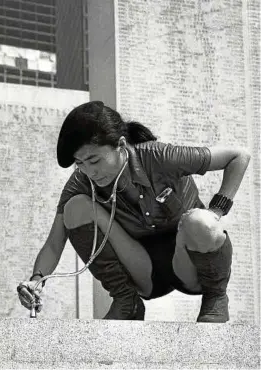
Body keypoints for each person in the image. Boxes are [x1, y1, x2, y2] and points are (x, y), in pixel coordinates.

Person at [17, 101, 250, 322]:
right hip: (143, 270)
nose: (90, 172)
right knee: (74, 208)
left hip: (190, 266)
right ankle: (127, 301)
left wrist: (216, 211)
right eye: (80, 163)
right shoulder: (82, 182)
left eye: (94, 160)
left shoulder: (159, 157)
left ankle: (216, 297)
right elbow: (53, 243)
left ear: (120, 145)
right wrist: (36, 282)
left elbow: (238, 157)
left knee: (202, 221)